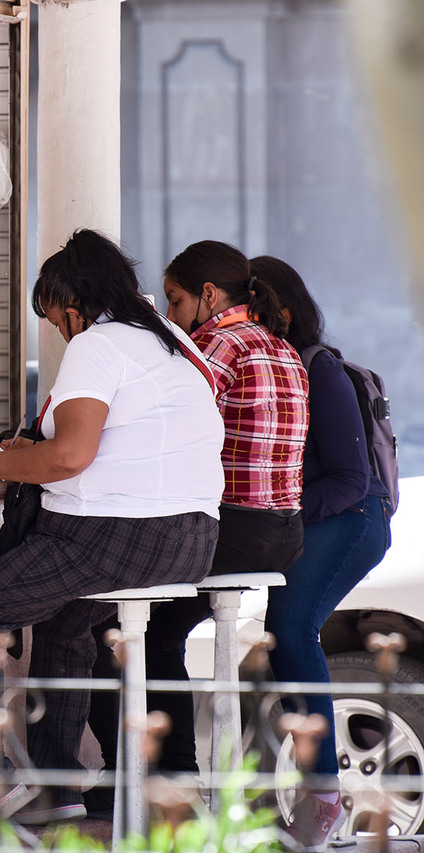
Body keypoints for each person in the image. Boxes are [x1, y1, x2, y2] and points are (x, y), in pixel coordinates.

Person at [0, 229, 224, 822]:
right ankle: (56, 786)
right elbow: (119, 440)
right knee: (66, 624)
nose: (61, 334)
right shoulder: (168, 337)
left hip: (116, 535)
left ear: (73, 306)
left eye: (56, 321)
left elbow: (69, 457)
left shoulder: (98, 343)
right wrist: (34, 451)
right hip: (192, 538)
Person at [88, 240, 310, 796]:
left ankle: (154, 775)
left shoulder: (215, 344)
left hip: (233, 528)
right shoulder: (281, 346)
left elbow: (156, 417)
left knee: (105, 623)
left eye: (175, 300)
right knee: (155, 631)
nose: (170, 315)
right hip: (283, 532)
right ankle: (167, 773)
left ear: (208, 295)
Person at [251, 255, 391, 850]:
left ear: (282, 313)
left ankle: (323, 793)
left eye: (255, 313)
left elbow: (350, 481)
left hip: (352, 517)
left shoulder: (319, 368)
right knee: (280, 632)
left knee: (290, 626)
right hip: (319, 516)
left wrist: (280, 510)